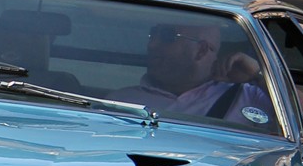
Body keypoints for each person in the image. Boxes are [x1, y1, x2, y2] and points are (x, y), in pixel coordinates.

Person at [112, 21, 274, 127]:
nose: (152, 45)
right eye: (152, 35)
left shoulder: (250, 97)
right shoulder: (121, 100)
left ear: (201, 50)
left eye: (167, 36)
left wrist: (258, 74)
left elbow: (292, 120)